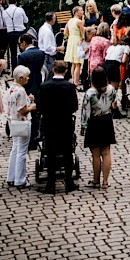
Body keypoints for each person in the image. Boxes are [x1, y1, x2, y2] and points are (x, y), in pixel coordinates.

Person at [37, 61, 79, 194]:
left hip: (49, 123)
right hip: (65, 123)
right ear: (65, 71)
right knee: (67, 151)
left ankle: (51, 183)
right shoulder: (69, 87)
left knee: (50, 151)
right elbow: (74, 107)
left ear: (53, 70)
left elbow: (40, 107)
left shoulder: (44, 86)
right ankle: (68, 181)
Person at [81, 66, 118, 189]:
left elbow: (86, 111)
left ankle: (96, 179)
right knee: (106, 152)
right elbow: (114, 105)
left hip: (94, 122)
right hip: (106, 120)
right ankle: (105, 181)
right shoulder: (111, 89)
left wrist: (83, 126)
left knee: (96, 154)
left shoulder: (90, 93)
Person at [5, 66, 37, 189]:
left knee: (15, 148)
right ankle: (20, 179)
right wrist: (31, 107)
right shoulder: (21, 90)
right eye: (27, 76)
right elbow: (23, 110)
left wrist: (28, 99)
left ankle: (11, 176)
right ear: (21, 78)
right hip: (22, 122)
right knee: (22, 151)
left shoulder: (11, 89)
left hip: (12, 121)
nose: (28, 78)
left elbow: (15, 103)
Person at [17, 34, 45, 150]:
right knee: (38, 110)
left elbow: (19, 73)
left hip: (27, 86)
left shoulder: (22, 56)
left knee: (29, 113)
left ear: (24, 42)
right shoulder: (41, 53)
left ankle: (30, 139)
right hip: (38, 84)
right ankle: (38, 133)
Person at [103, 35, 129, 118]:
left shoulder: (112, 46)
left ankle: (109, 107)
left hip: (105, 65)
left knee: (107, 88)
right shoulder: (126, 47)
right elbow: (124, 60)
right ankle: (115, 109)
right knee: (114, 89)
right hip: (114, 66)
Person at [2, 0, 29, 68]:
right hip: (20, 32)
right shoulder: (20, 10)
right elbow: (26, 20)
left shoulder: (4, 12)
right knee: (23, 50)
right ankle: (24, 67)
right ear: (16, 2)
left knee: (13, 53)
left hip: (10, 33)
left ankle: (14, 69)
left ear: (8, 2)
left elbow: (4, 24)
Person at [63, 5, 85, 87]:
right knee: (78, 63)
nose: (82, 12)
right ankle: (76, 82)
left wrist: (66, 39)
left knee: (73, 63)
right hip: (77, 40)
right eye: (81, 11)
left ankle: (73, 80)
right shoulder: (79, 22)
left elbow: (65, 33)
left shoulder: (69, 21)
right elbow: (83, 34)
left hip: (71, 40)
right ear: (76, 12)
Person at [37, 11, 60, 81]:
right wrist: (58, 49)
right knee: (48, 73)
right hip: (48, 55)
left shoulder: (44, 28)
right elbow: (47, 47)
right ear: (52, 19)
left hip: (45, 53)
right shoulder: (47, 31)